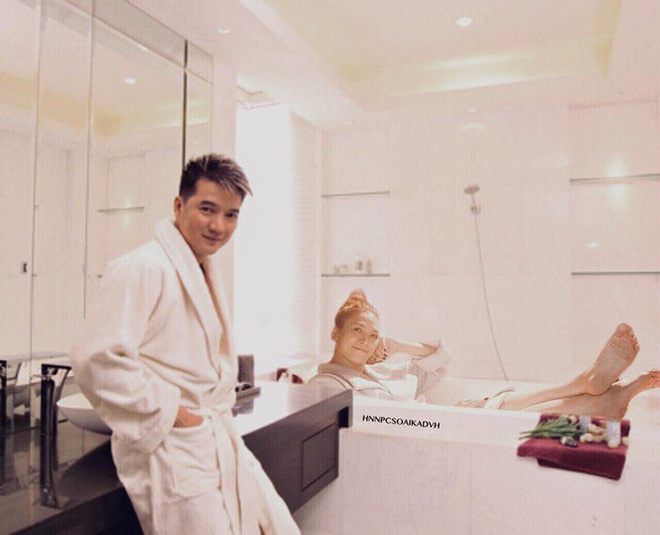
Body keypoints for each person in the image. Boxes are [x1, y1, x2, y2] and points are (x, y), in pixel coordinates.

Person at [71, 154, 299, 535]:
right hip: (174, 449)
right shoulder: (140, 267)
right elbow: (96, 359)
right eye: (207, 209)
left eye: (231, 215)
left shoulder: (204, 269)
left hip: (215, 437)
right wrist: (174, 412)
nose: (219, 225)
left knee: (277, 525)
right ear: (179, 206)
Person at [308, 290, 659, 420]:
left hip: (444, 419)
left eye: (373, 335)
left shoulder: (383, 372)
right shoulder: (325, 384)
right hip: (433, 428)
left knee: (506, 403)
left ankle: (597, 388)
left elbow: (440, 359)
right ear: (336, 333)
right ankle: (600, 389)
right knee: (511, 412)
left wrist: (396, 345)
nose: (366, 341)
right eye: (357, 331)